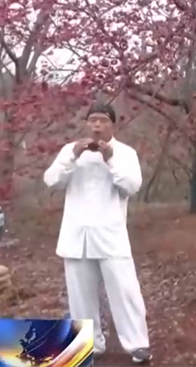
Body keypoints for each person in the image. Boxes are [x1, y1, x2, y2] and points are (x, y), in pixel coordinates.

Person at [43, 102, 152, 363]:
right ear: (87, 124)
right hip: (76, 236)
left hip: (110, 235)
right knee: (80, 297)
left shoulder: (125, 153)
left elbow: (132, 186)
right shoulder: (70, 151)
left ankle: (137, 344)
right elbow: (51, 180)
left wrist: (110, 159)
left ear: (112, 124)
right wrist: (72, 157)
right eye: (92, 120)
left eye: (103, 120)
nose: (97, 125)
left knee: (125, 291)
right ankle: (90, 343)